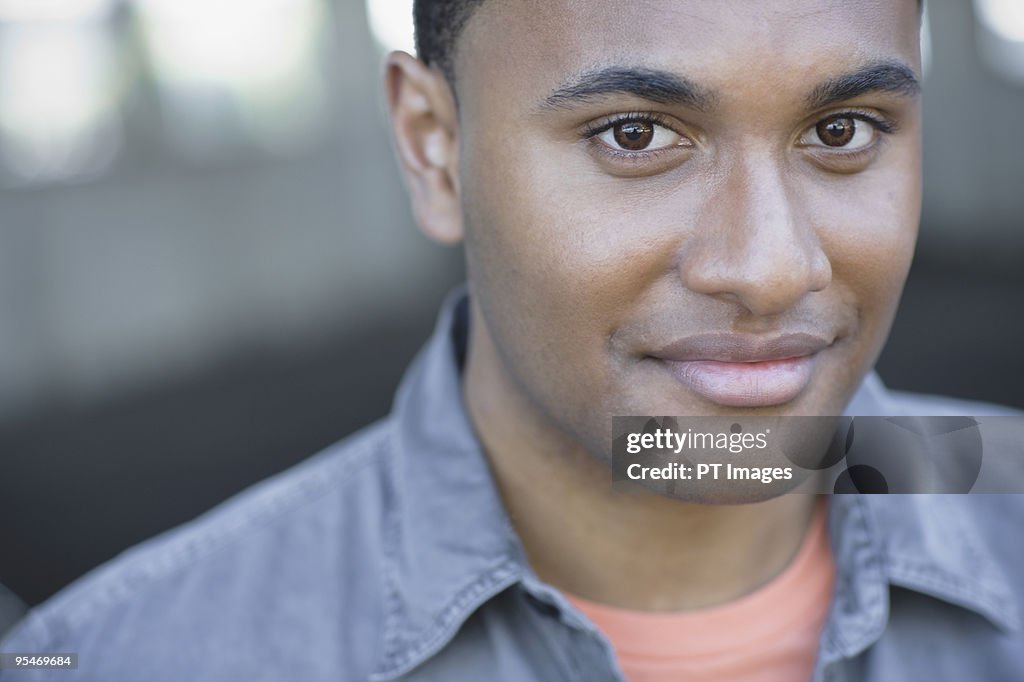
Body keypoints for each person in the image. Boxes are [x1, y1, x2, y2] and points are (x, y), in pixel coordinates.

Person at [2, 1, 1022, 680]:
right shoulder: (121, 655)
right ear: (433, 148)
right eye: (633, 134)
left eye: (842, 130)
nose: (767, 266)